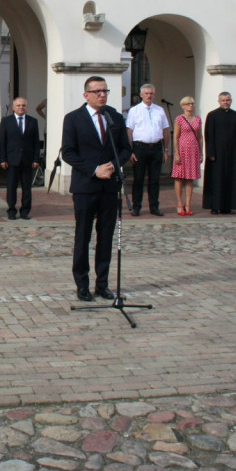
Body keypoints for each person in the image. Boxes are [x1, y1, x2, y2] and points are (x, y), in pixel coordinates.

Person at [62, 75, 131, 302]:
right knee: (83, 236)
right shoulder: (73, 118)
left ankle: (103, 283)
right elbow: (69, 152)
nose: (102, 95)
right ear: (86, 95)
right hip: (85, 187)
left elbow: (124, 149)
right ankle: (82, 284)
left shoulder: (114, 117)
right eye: (97, 91)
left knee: (106, 237)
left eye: (105, 91)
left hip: (109, 187)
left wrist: (113, 165)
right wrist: (94, 169)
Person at [125, 83, 170, 216]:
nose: (149, 96)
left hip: (156, 147)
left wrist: (166, 150)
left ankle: (154, 207)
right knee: (138, 179)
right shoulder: (134, 110)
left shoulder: (159, 110)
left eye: (151, 93)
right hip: (140, 148)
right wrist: (130, 150)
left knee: (155, 179)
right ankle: (137, 206)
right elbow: (129, 131)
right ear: (141, 95)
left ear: (154, 95)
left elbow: (165, 130)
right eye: (146, 93)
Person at [202, 92, 236, 214]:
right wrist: (210, 152)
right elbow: (208, 135)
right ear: (219, 101)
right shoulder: (212, 115)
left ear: (231, 101)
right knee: (216, 180)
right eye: (223, 100)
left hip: (231, 154)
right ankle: (215, 206)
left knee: (230, 180)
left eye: (228, 100)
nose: (226, 102)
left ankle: (228, 206)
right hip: (216, 154)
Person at [0, 97, 41, 220]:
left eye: (23, 105)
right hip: (11, 160)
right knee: (11, 187)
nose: (21, 107)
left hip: (28, 160)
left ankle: (25, 211)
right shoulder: (6, 121)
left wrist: (36, 159)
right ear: (13, 107)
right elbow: (2, 142)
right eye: (18, 105)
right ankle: (11, 210)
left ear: (26, 107)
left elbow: (36, 142)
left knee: (27, 187)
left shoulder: (33, 121)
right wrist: (2, 159)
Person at [170, 96, 202, 216]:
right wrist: (176, 152)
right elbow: (176, 137)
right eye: (188, 104)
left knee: (190, 178)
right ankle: (179, 203)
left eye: (192, 103)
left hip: (193, 150)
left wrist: (201, 151)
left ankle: (188, 204)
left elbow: (200, 136)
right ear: (183, 106)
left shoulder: (198, 119)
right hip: (182, 150)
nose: (191, 106)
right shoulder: (179, 119)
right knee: (179, 177)